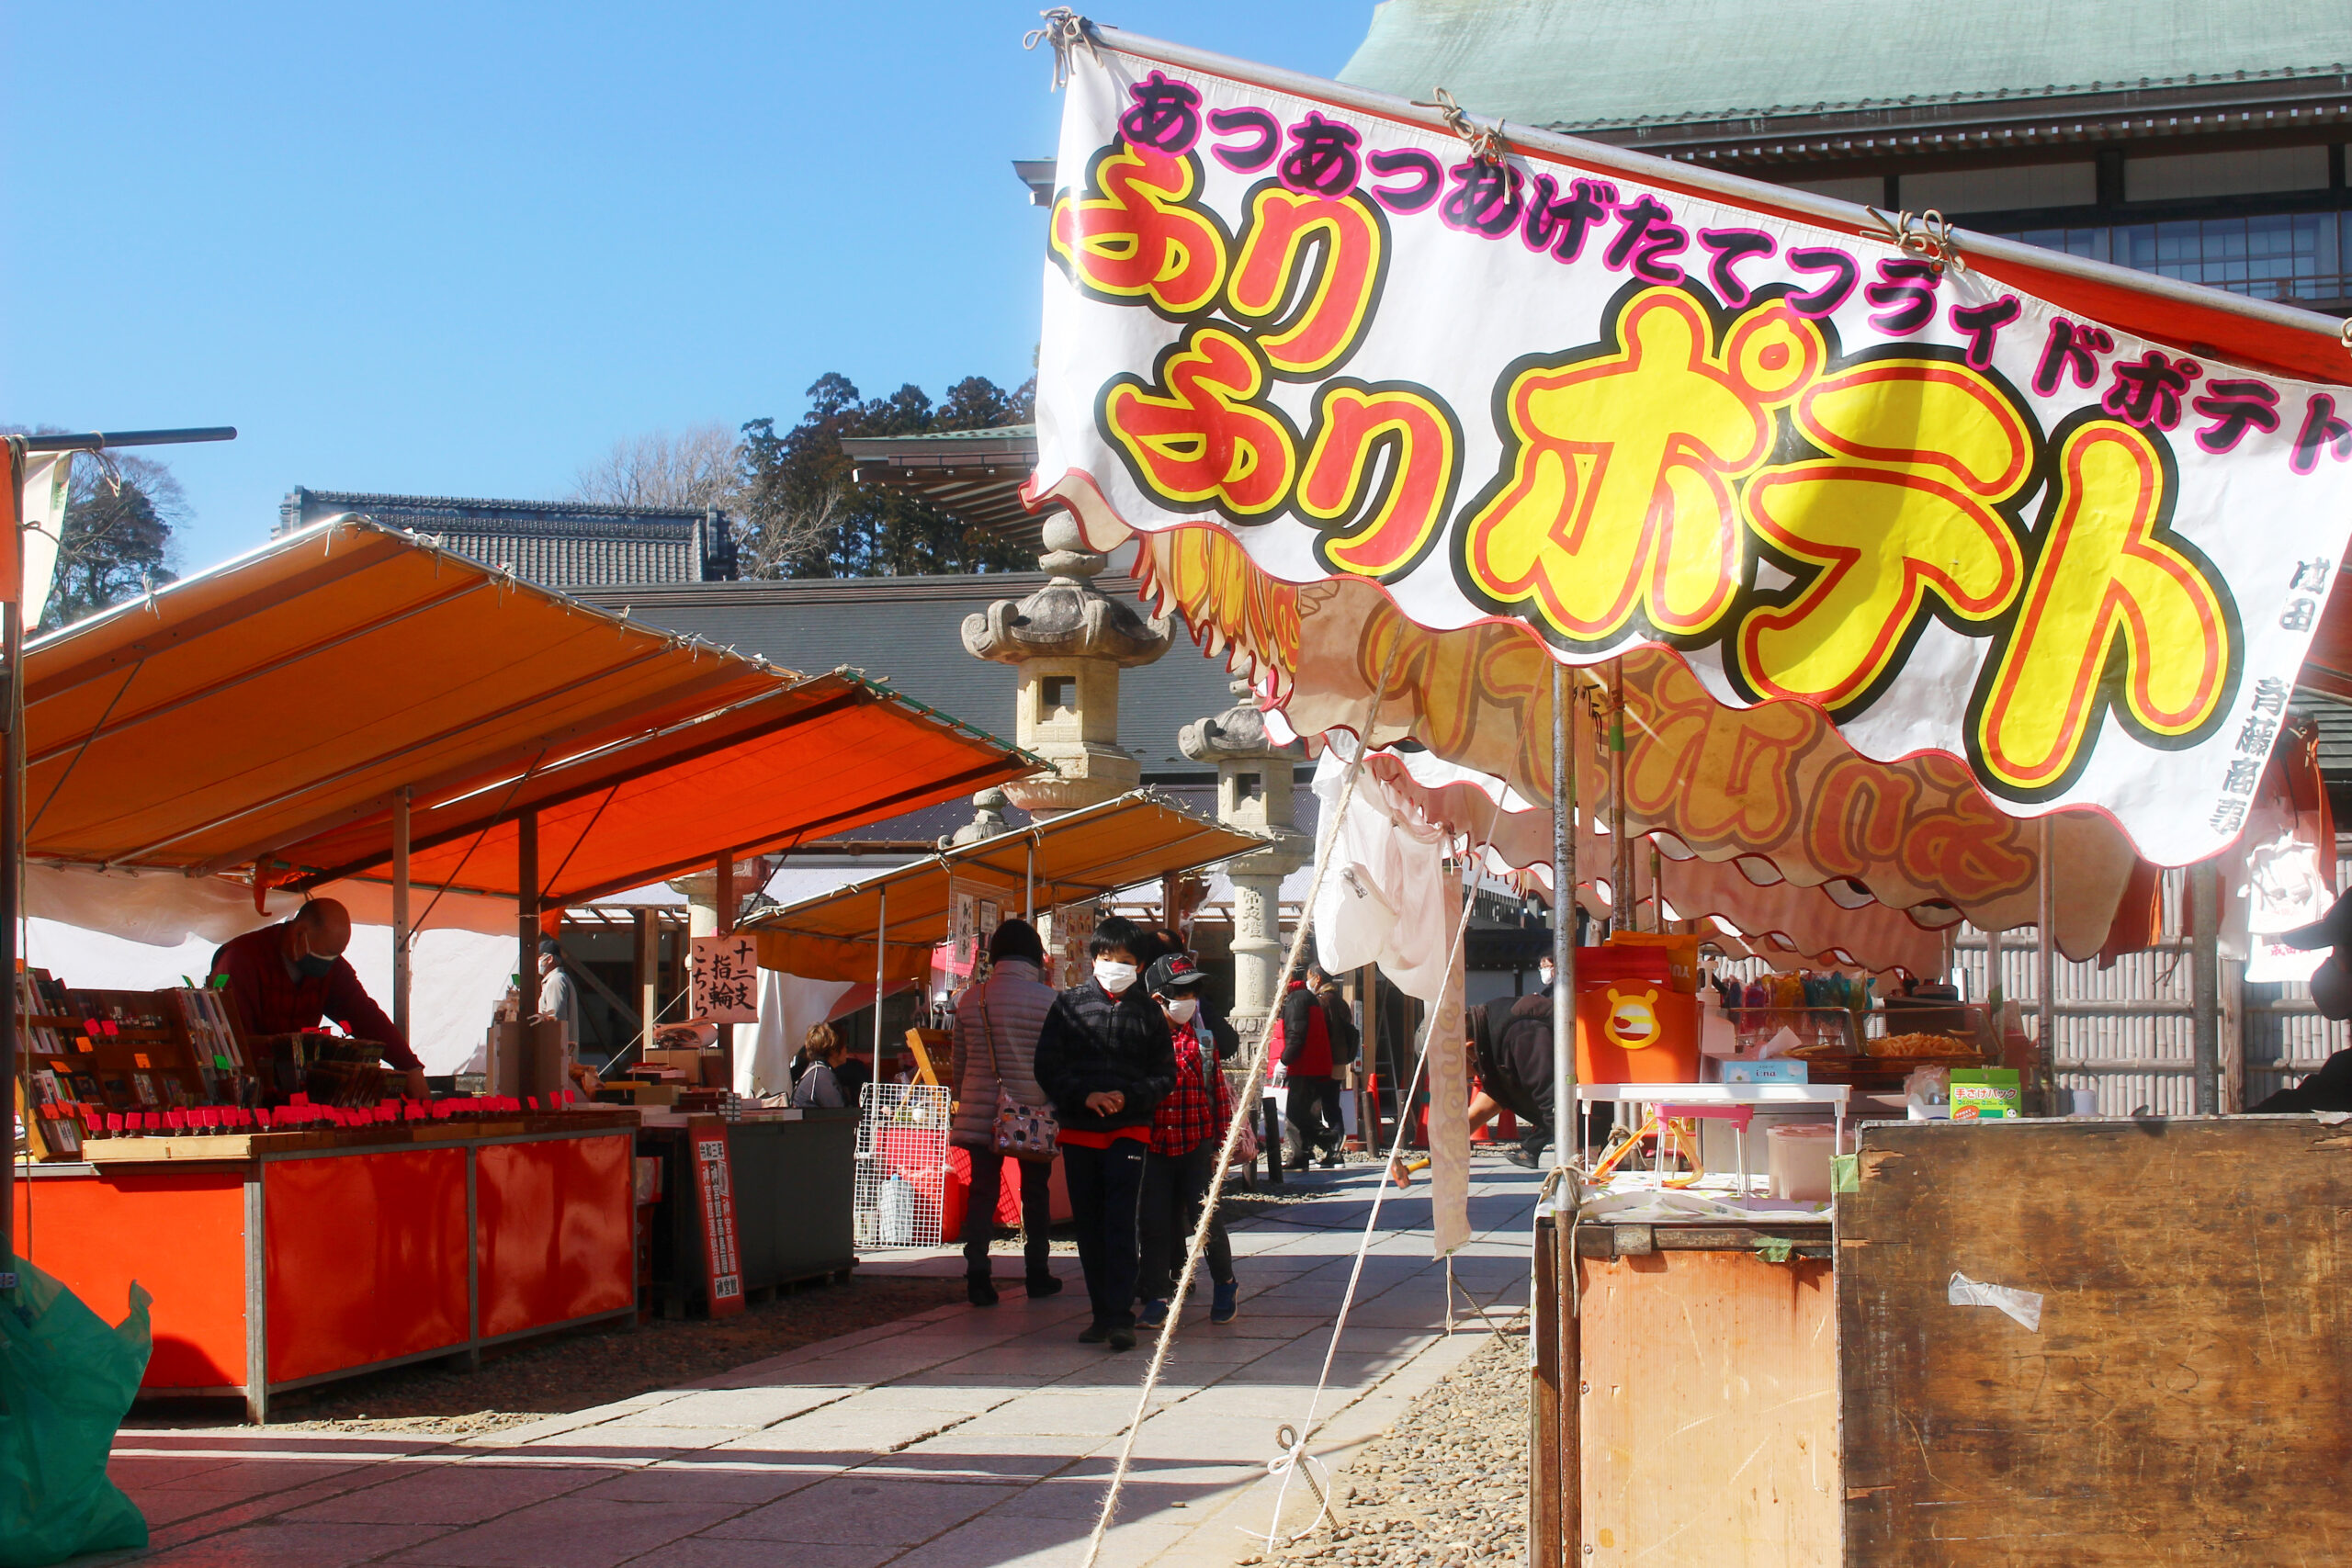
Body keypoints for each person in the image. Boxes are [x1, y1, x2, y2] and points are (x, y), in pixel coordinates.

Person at [1033, 915, 1175, 1351]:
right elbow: (1048, 1066)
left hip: (1129, 1132)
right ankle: (1100, 1315)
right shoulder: (1069, 1005)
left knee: (1120, 1224)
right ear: (1094, 958)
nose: (1115, 965)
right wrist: (1086, 1096)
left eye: (1126, 959)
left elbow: (1164, 1075)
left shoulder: (1150, 1013)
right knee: (1089, 1227)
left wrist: (1126, 1097)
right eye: (1108, 957)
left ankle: (1120, 1317)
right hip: (1079, 1133)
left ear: (1139, 965)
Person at [950, 919, 1063, 1306]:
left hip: (982, 1110)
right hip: (1033, 1111)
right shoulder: (1049, 1001)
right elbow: (1055, 1063)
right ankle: (1037, 1273)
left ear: (994, 955)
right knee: (1035, 1191)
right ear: (1034, 955)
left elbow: (959, 1065)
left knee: (982, 1193)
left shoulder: (970, 999)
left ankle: (978, 1276)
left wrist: (964, 1100)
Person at [210, 898, 427, 1099]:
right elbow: (232, 1041)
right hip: (242, 1092)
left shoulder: (333, 969)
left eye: (335, 955)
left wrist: (410, 1068)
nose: (328, 962)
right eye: (323, 954)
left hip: (295, 1090)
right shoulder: (241, 959)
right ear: (299, 933)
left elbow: (364, 1017)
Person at [1136, 953, 1240, 1327]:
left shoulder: (1204, 1042)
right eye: (1181, 992)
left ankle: (1225, 1283)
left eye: (1193, 992)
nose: (1189, 999)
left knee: (1206, 1219)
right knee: (1154, 1223)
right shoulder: (1142, 1044)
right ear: (1157, 998)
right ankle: (1156, 1296)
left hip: (1196, 1144)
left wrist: (1222, 1146)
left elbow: (1219, 1095)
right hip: (1155, 1147)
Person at [1272, 964, 1343, 1169]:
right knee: (1300, 1112)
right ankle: (1302, 1154)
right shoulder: (1306, 997)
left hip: (1303, 1065)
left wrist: (1284, 1060)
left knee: (1296, 1114)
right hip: (1311, 1063)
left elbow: (1296, 1034)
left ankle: (1329, 1142)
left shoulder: (1297, 999)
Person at [533, 941, 602, 1098]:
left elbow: (554, 1022)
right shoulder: (556, 980)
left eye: (538, 957)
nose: (536, 963)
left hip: (557, 1057)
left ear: (548, 959)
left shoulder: (556, 981)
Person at [791, 1023, 847, 1109]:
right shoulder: (822, 1076)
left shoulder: (817, 1071)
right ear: (833, 1050)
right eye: (843, 1045)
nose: (846, 1049)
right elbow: (842, 1114)